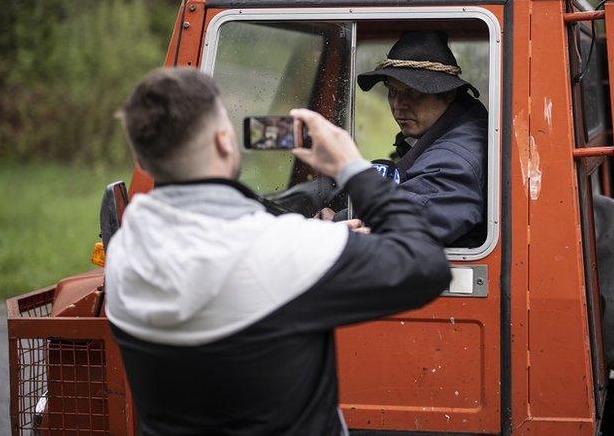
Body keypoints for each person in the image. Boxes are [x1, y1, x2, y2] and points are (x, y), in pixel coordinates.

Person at [104, 68, 450, 436]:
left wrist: (313, 236)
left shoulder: (126, 251)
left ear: (142, 161)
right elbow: (425, 263)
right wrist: (352, 169)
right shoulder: (289, 249)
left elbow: (226, 237)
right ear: (224, 142)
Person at [337, 30, 488, 248]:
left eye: (414, 92)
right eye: (393, 91)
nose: (399, 105)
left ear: (447, 94)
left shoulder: (453, 160)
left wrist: (336, 221)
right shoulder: (453, 130)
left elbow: (405, 222)